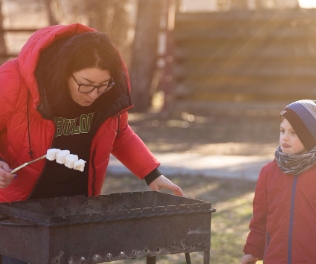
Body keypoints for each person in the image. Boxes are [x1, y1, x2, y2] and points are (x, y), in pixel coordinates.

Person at [0, 24, 183, 263]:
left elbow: (120, 132)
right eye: (85, 84)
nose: (93, 94)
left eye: (102, 85)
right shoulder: (14, 80)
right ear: (64, 71)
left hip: (76, 210)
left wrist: (152, 174)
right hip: (19, 214)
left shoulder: (106, 95)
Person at [241, 99, 316, 264]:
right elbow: (260, 218)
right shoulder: (269, 172)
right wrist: (252, 251)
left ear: (310, 137)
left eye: (294, 132)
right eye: (282, 130)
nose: (285, 138)